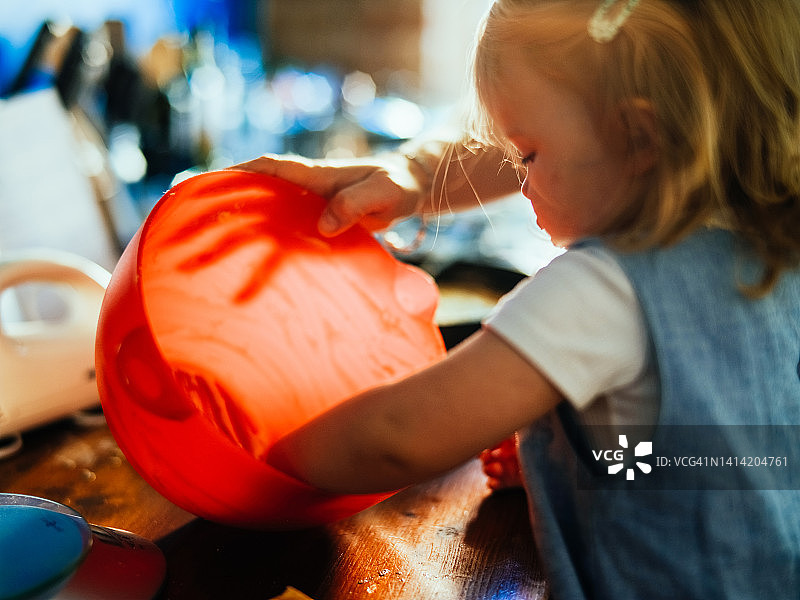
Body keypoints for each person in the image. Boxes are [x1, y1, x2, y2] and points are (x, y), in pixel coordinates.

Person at [238, 1, 800, 597]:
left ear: (640, 136)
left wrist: (254, 452)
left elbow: (394, 437)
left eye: (527, 154)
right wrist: (572, 458)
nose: (520, 182)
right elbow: (704, 457)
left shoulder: (602, 289)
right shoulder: (773, 256)